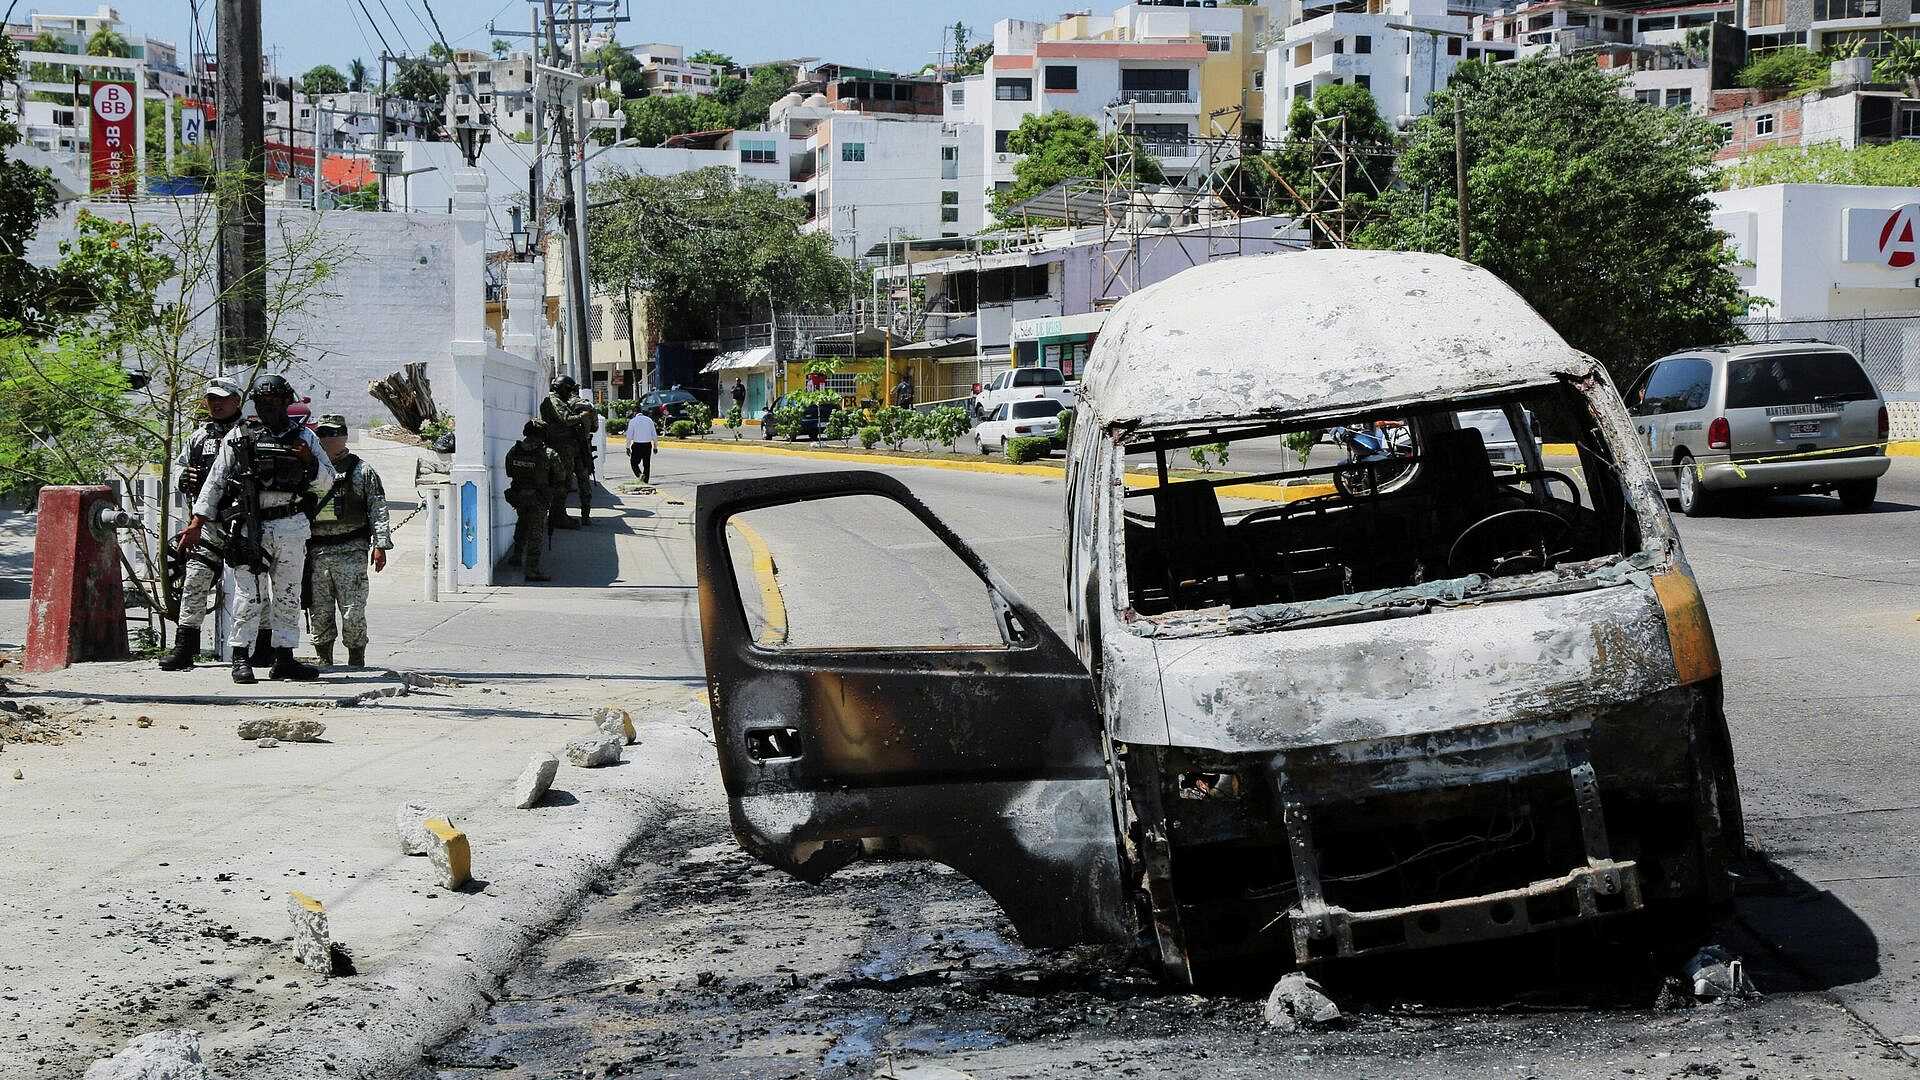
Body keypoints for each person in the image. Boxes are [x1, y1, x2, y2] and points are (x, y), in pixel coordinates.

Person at [178, 373, 333, 684]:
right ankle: (240, 657)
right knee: (248, 595)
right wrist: (197, 521)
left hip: (290, 524)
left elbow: (327, 481)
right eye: (263, 402)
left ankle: (284, 658)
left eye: (275, 402)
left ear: (286, 403)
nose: (269, 408)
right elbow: (216, 481)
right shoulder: (239, 437)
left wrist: (308, 461)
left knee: (288, 594)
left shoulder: (305, 438)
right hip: (250, 525)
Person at [157, 377, 246, 671]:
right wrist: (184, 478)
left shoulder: (251, 433)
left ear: (237, 400)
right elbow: (181, 466)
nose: (216, 404)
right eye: (210, 398)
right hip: (206, 525)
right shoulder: (199, 436)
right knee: (194, 582)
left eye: (222, 398)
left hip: (244, 524)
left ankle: (261, 648)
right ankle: (184, 647)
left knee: (251, 587)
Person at [306, 415, 392, 667]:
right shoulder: (309, 468)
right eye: (323, 433)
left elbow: (378, 508)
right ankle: (324, 659)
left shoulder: (361, 471)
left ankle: (356, 659)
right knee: (319, 612)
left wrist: (380, 544)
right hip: (316, 552)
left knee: (353, 611)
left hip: (351, 551)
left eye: (334, 433)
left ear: (344, 436)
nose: (328, 439)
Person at [503, 419, 563, 581]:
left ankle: (516, 556)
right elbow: (561, 475)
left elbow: (509, 471)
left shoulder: (514, 451)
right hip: (539, 497)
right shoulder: (549, 453)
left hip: (518, 496)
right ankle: (532, 569)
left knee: (522, 523)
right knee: (536, 532)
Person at [539, 375, 596, 527]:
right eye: (568, 389)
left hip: (573, 446)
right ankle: (558, 517)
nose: (570, 392)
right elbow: (565, 419)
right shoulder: (553, 401)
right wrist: (581, 416)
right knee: (562, 482)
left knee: (579, 479)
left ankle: (583, 516)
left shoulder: (564, 401)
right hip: (561, 447)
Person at [624, 407, 658, 483]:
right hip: (647, 445)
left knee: (634, 463)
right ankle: (645, 481)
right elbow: (654, 435)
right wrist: (655, 447)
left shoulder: (633, 421)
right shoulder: (649, 420)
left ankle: (639, 475)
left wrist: (627, 447)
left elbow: (629, 436)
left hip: (637, 445)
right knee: (646, 464)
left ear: (635, 412)